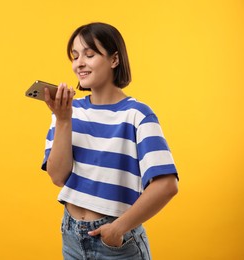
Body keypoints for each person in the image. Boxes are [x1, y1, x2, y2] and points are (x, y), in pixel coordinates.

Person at [41, 22, 179, 260]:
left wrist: (117, 229)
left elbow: (167, 185)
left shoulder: (137, 115)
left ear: (114, 60)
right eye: (75, 57)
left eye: (90, 54)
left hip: (116, 244)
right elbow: (57, 177)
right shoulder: (67, 111)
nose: (79, 63)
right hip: (71, 236)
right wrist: (63, 120)